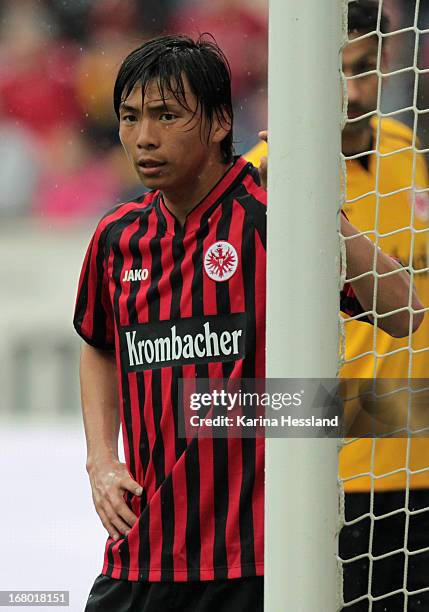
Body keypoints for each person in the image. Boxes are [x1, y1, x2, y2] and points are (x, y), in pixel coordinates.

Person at [74, 34, 422, 612]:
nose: (144, 137)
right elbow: (98, 343)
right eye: (130, 118)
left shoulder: (268, 214)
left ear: (218, 123)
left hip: (257, 564)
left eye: (165, 116)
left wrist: (316, 208)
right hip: (142, 551)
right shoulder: (117, 237)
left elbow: (403, 311)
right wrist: (101, 459)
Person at [247, 1, 429, 610]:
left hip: (418, 457)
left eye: (366, 68)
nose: (353, 91)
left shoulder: (408, 153)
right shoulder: (264, 176)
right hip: (331, 469)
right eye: (339, 73)